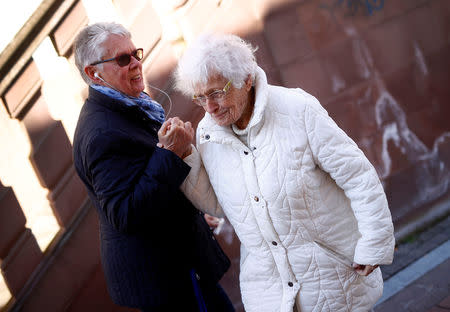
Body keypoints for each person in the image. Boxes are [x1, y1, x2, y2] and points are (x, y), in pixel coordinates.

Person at [174, 33, 395, 312]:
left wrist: (374, 243)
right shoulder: (208, 133)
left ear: (246, 79)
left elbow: (357, 176)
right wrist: (184, 157)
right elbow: (223, 205)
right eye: (200, 97)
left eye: (217, 92)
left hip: (332, 281)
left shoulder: (297, 110)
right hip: (269, 294)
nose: (210, 107)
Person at [72, 22, 234, 312]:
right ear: (93, 73)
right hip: (168, 278)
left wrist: (190, 214)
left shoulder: (129, 105)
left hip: (180, 262)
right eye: (123, 59)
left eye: (135, 54)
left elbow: (142, 179)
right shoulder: (101, 134)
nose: (136, 63)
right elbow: (125, 213)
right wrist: (170, 152)